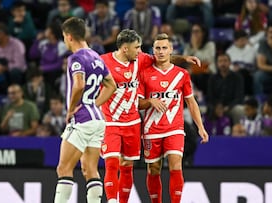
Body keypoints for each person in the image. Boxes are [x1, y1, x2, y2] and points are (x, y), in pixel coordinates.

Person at [100, 29, 201, 203]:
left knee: (127, 166)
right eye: (137, 48)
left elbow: (162, 58)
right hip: (110, 121)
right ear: (125, 49)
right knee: (112, 163)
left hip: (132, 122)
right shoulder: (103, 62)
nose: (140, 51)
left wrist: (184, 59)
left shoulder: (140, 60)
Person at [138, 33, 209, 203]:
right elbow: (138, 103)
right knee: (153, 169)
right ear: (153, 50)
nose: (161, 51)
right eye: (158, 48)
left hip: (174, 128)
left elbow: (191, 102)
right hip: (151, 128)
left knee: (176, 165)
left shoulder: (182, 74)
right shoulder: (144, 73)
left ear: (171, 50)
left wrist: (201, 127)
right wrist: (150, 101)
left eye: (164, 48)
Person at [54, 17, 116, 203]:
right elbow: (111, 85)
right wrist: (94, 105)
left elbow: (79, 85)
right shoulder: (96, 56)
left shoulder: (76, 58)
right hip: (98, 120)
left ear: (69, 36)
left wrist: (71, 109)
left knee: (63, 169)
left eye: (64, 37)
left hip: (81, 119)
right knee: (90, 169)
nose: (64, 41)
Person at [207, 53, 245, 124]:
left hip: (231, 106)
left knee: (239, 110)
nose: (223, 64)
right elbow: (210, 96)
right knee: (198, 110)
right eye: (220, 61)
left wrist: (228, 107)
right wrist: (217, 106)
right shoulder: (212, 78)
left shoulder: (237, 77)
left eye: (225, 61)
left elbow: (239, 97)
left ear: (230, 63)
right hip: (215, 107)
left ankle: (237, 132)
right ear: (217, 64)